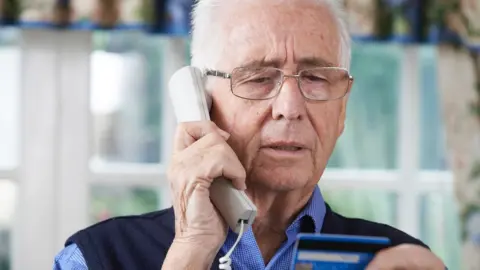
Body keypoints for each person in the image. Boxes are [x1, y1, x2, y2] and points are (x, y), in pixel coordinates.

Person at [53, 0, 446, 269]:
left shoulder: (399, 260)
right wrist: (190, 250)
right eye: (258, 77)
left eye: (315, 77)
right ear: (201, 103)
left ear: (341, 110)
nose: (290, 107)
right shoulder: (96, 258)